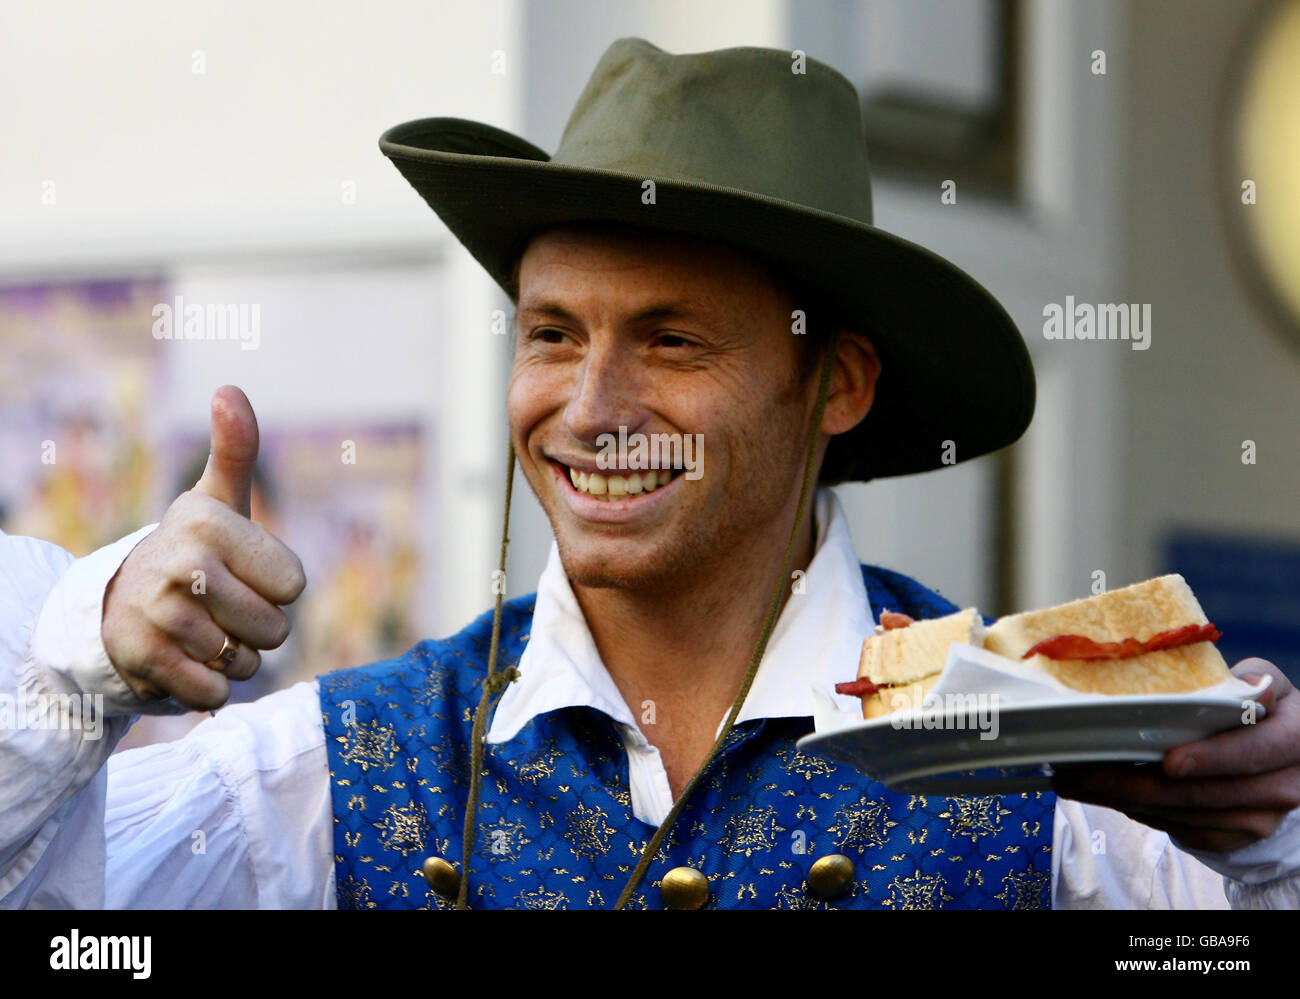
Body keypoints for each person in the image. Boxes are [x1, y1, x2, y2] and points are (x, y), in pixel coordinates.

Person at [3, 38, 1298, 910]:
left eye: (672, 339)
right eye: (553, 334)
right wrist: (82, 647)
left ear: (837, 384)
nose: (592, 406)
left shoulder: (1047, 770)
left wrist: (1268, 843)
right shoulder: (338, 766)